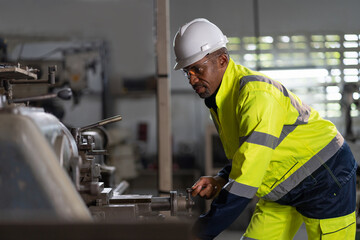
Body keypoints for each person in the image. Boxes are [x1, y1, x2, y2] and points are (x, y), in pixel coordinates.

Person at [173, 18, 357, 240]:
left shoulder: (256, 95)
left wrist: (197, 233)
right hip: (282, 186)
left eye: (197, 69)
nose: (192, 79)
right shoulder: (219, 98)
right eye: (187, 72)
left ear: (222, 60)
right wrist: (221, 178)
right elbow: (249, 153)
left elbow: (246, 181)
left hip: (326, 177)